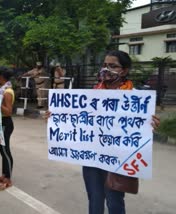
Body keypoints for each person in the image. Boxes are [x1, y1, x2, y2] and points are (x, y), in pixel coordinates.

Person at [45, 50, 160, 214]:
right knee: (94, 198)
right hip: (92, 158)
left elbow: (139, 131)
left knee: (114, 202)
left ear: (125, 70)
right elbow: (75, 119)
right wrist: (55, 115)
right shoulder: (91, 95)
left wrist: (151, 124)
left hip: (117, 161)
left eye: (113, 66)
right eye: (105, 65)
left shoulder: (136, 98)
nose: (106, 69)